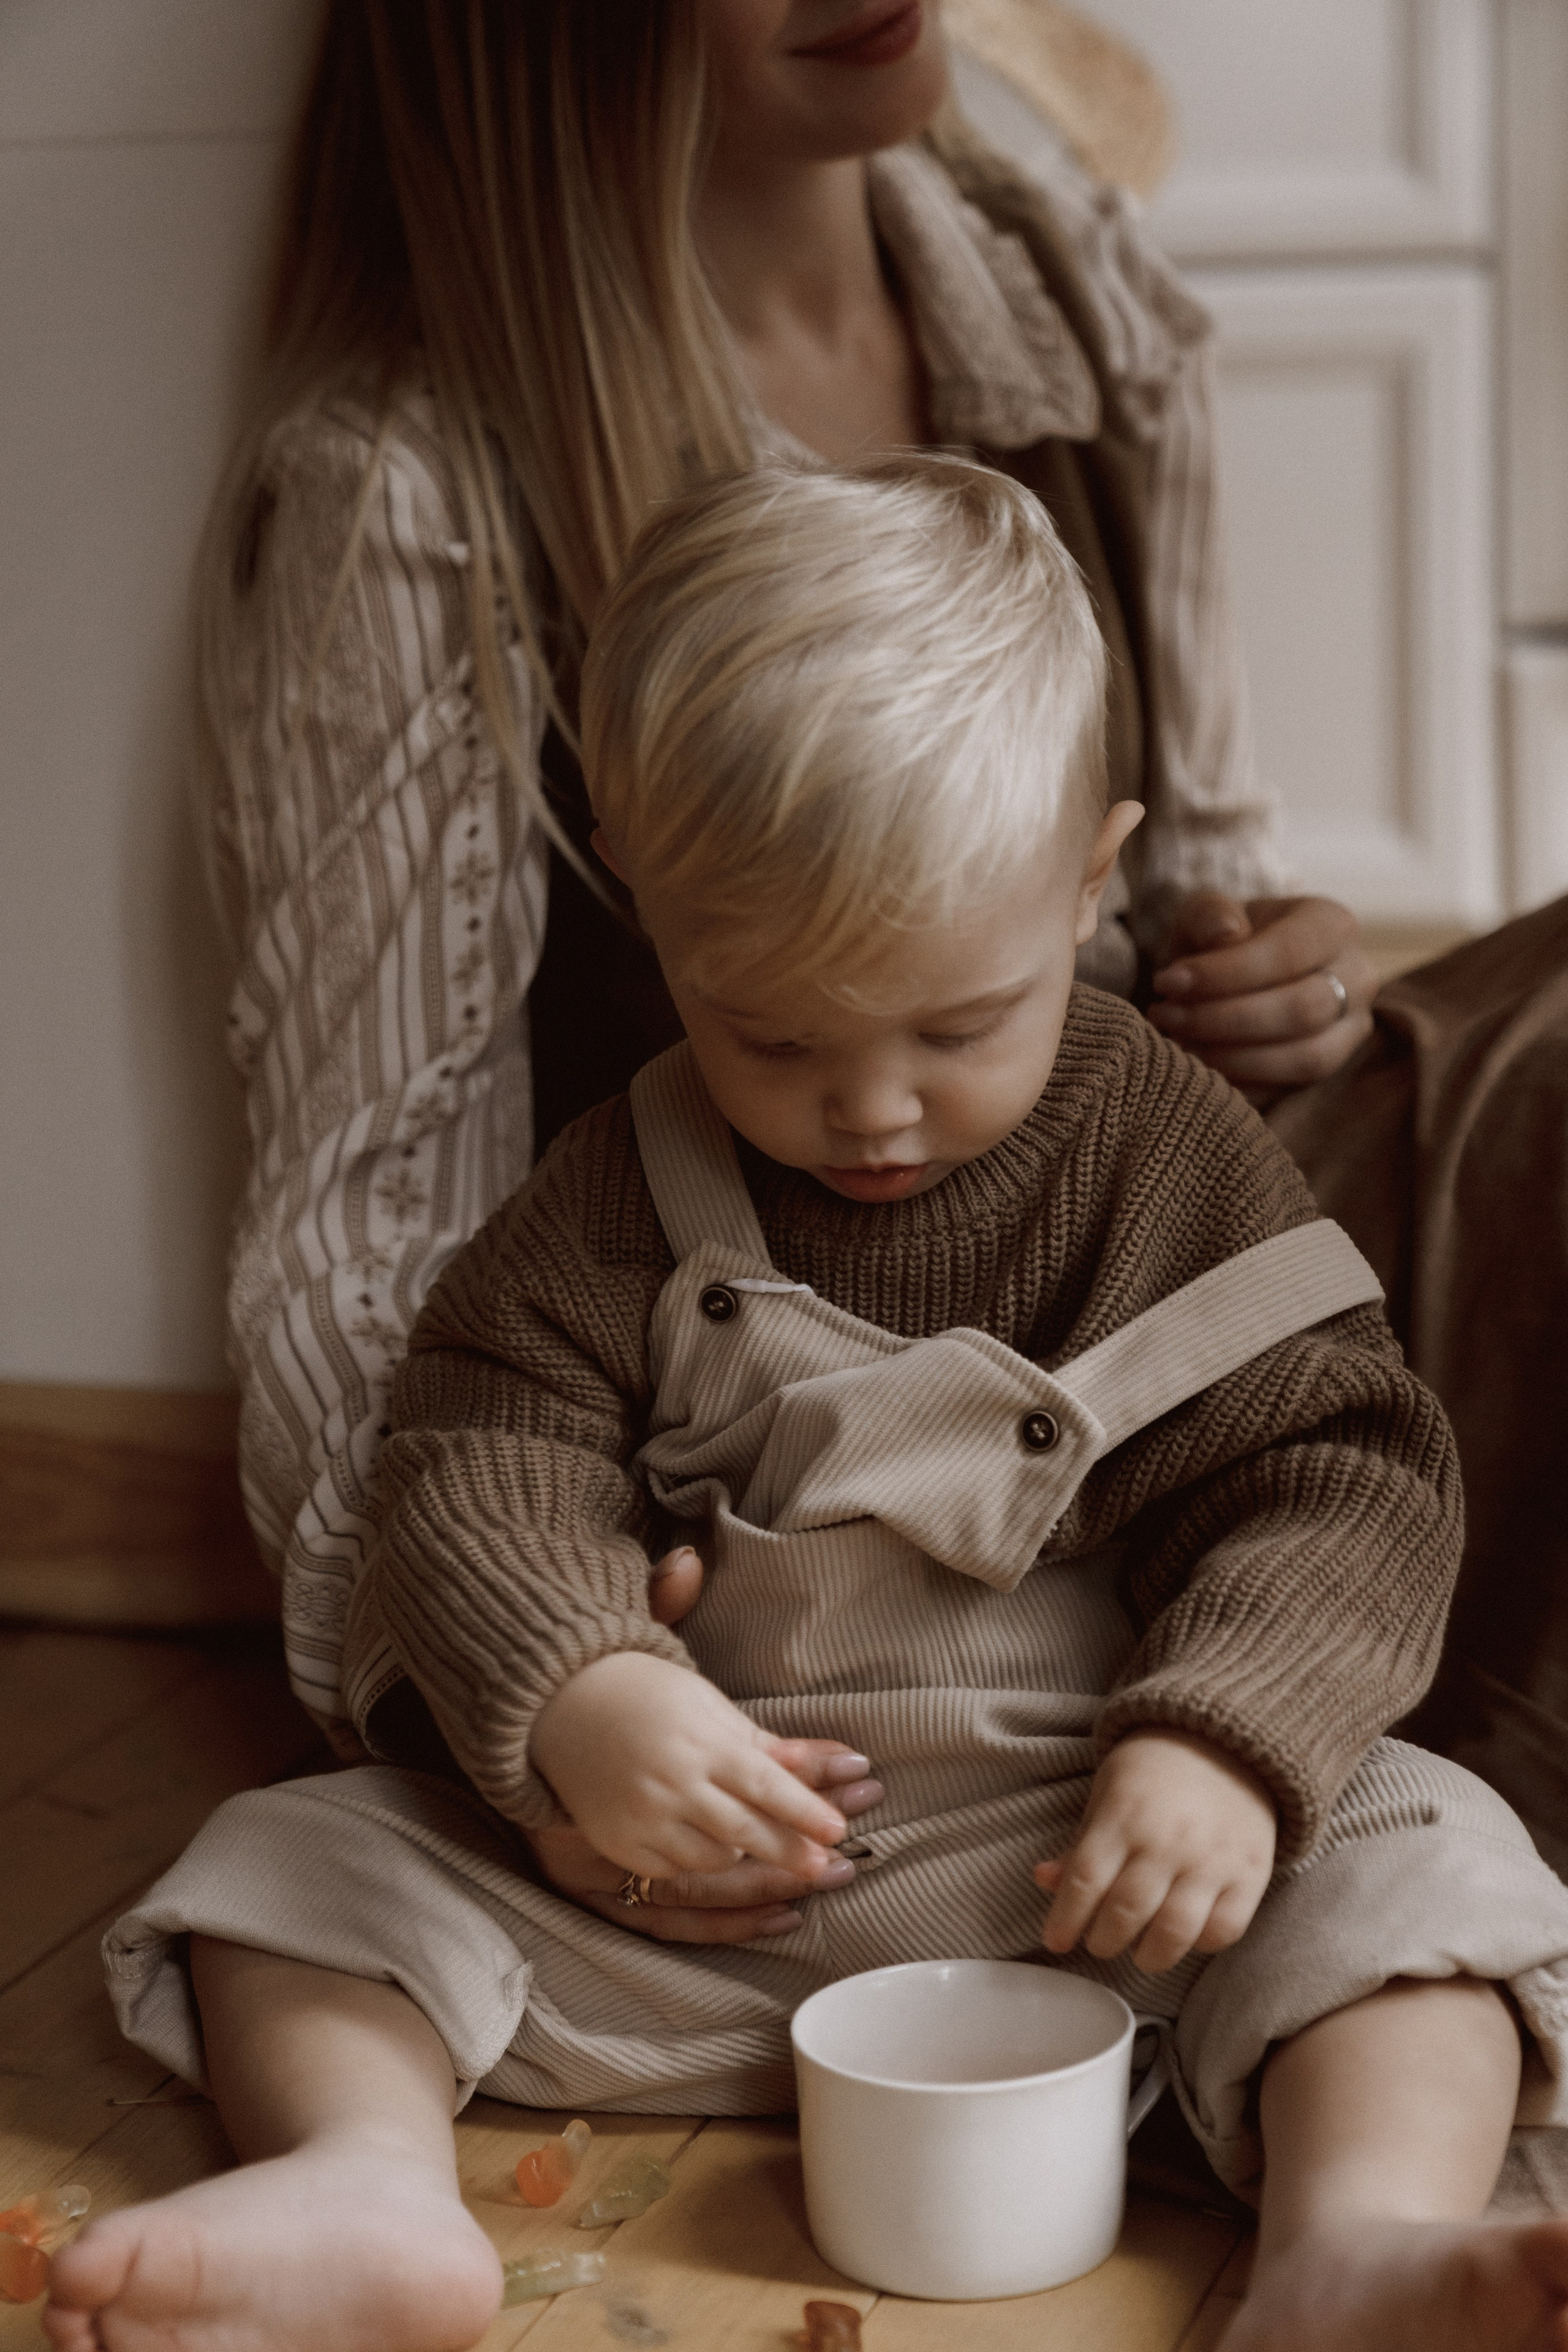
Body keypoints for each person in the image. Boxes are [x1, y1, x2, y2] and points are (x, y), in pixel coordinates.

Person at [64, 459, 1568, 2352]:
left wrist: (1229, 1749)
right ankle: (365, 2190)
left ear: (1091, 879)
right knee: (285, 1872)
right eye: (768, 1029)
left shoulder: (1169, 1164)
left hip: (1116, 1893)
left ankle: (1356, 2244)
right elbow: (475, 1464)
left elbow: (1342, 1477)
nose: (870, 1110)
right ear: (647, 896)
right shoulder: (620, 1191)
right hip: (694, 1904)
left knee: (1436, 1857)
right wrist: (585, 1702)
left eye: (958, 1026)